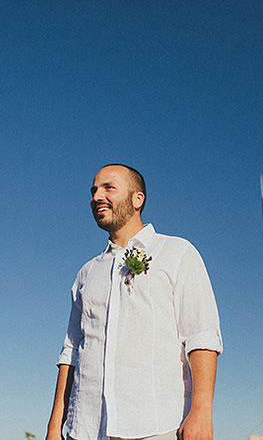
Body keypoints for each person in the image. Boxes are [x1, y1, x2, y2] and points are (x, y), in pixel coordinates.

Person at [46, 164, 223, 440]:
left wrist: (202, 411)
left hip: (157, 426)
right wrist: (55, 425)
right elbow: (71, 351)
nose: (96, 197)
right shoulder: (86, 273)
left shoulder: (177, 253)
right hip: (86, 429)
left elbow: (201, 335)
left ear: (137, 199)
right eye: (93, 190)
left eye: (108, 188)